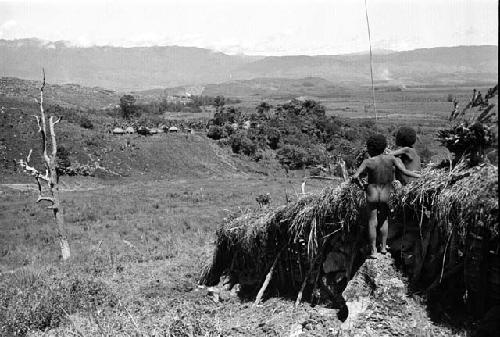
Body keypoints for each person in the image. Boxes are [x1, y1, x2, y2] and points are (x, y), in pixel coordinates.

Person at [351, 134, 420, 258]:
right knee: (384, 220)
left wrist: (362, 186)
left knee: (372, 221)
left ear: (370, 148)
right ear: (384, 147)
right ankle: (383, 248)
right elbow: (405, 171)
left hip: (372, 191)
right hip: (386, 191)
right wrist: (421, 176)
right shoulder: (391, 159)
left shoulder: (368, 161)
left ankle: (373, 251)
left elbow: (355, 177)